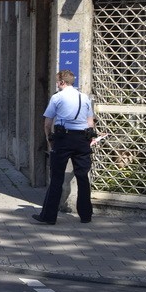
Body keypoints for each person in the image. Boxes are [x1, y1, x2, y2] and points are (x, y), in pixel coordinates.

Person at [33, 69, 98, 225]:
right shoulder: (85, 98)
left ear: (62, 82)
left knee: (56, 177)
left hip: (63, 139)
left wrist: (50, 141)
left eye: (57, 82)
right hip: (82, 139)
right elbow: (90, 123)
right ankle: (86, 215)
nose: (57, 85)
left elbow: (47, 123)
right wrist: (87, 140)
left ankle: (48, 216)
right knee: (83, 177)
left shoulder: (57, 98)